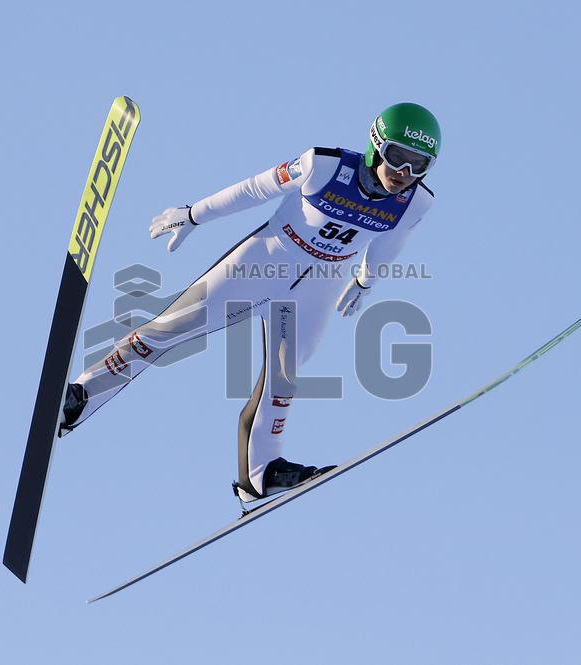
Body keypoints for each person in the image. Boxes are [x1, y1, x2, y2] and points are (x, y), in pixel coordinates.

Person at [61, 102, 441, 502]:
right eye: (399, 157)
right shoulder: (323, 166)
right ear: (377, 145)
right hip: (265, 262)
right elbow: (254, 189)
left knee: (284, 378)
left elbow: (390, 243)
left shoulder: (416, 201)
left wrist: (365, 281)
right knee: (167, 331)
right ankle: (80, 398)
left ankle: (260, 476)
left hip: (319, 285)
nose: (405, 174)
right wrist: (194, 215)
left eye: (420, 165)